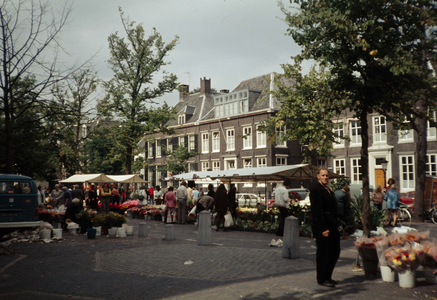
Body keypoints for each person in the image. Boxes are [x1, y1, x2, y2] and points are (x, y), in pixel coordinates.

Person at [310, 167, 340, 288]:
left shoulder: (328, 190)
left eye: (327, 175)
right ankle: (322, 278)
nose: (325, 177)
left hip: (332, 225)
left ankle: (328, 276)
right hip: (323, 227)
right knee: (324, 253)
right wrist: (323, 228)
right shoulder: (316, 191)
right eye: (323, 175)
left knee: (334, 252)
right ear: (318, 176)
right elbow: (317, 212)